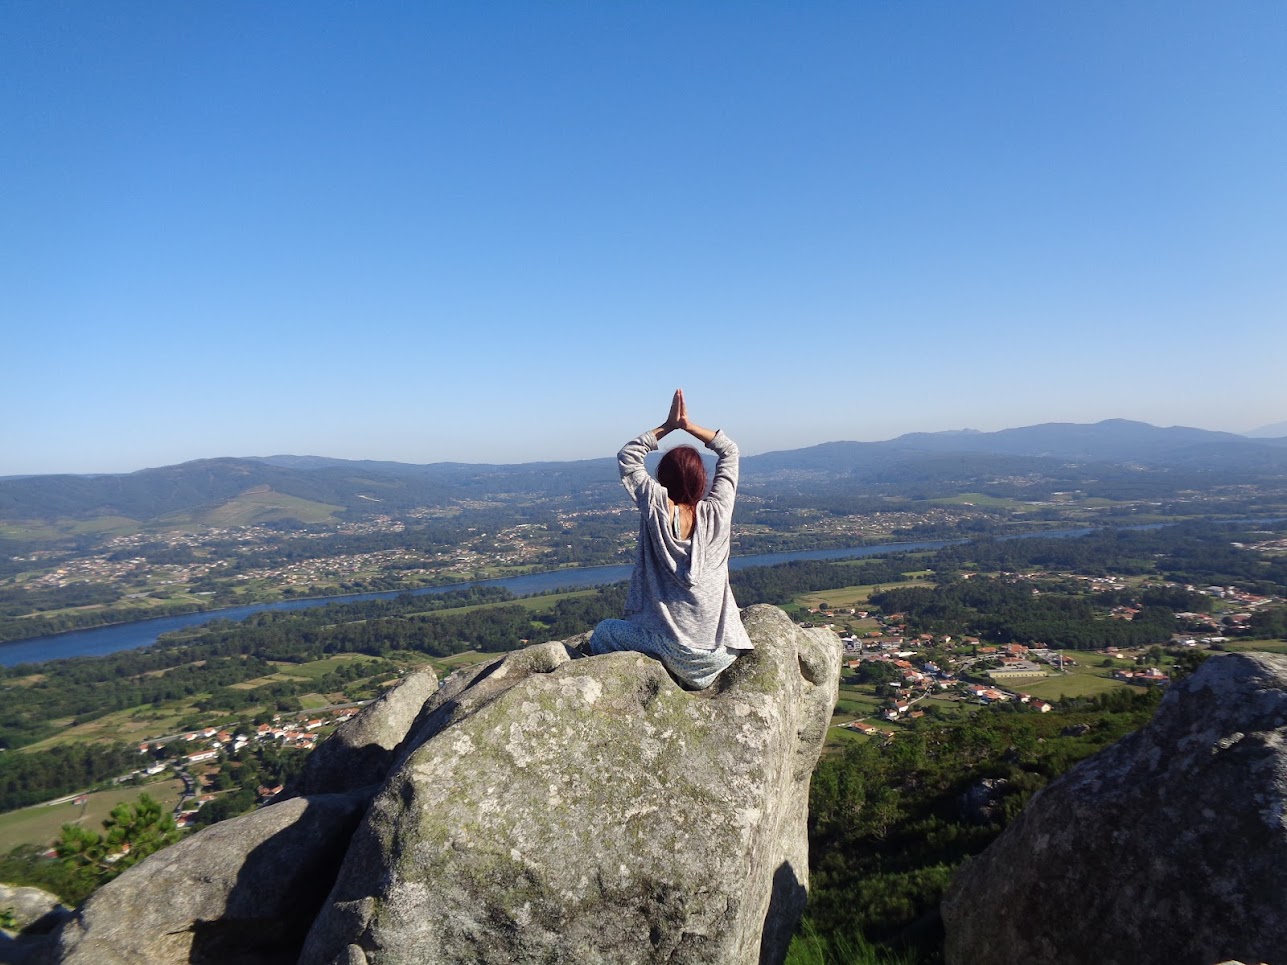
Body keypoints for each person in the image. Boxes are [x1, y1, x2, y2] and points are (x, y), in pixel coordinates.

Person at [588, 389, 752, 689]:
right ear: (702, 479)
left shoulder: (655, 506)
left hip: (672, 651)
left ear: (662, 478)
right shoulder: (718, 512)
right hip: (719, 653)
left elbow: (628, 456)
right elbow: (730, 452)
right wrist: (689, 426)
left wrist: (668, 426)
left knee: (604, 632)